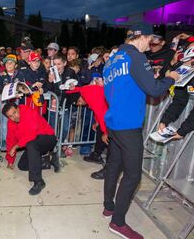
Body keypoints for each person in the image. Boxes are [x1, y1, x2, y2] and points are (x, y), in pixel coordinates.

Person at [102, 24, 179, 239]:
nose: (150, 45)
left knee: (113, 166)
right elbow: (154, 90)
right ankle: (117, 222)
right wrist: (171, 77)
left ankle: (109, 207)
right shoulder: (136, 57)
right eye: (149, 40)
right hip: (128, 124)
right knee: (133, 175)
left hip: (114, 121)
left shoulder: (112, 59)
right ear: (141, 37)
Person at [3, 102, 59, 195]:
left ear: (18, 109)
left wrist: (16, 146)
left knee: (30, 144)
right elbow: (10, 141)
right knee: (22, 165)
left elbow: (32, 134)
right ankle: (49, 160)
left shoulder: (28, 112)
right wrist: (10, 160)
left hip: (48, 139)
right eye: (10, 116)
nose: (14, 117)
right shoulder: (11, 123)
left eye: (15, 113)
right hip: (34, 144)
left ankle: (38, 181)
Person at [66, 85, 109, 180]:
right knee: (99, 130)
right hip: (107, 110)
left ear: (80, 97)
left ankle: (109, 170)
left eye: (79, 102)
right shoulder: (84, 92)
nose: (80, 104)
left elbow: (102, 113)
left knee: (110, 140)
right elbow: (99, 111)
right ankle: (96, 155)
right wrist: (97, 122)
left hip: (115, 113)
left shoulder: (92, 96)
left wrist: (106, 132)